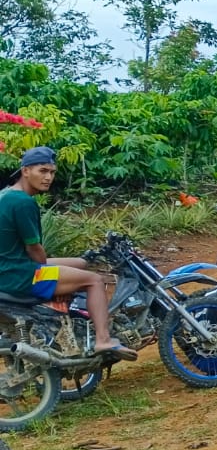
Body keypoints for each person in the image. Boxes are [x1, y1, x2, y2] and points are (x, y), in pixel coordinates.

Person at [0, 147, 135, 360]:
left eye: (52, 172)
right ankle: (103, 339)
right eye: (43, 171)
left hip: (10, 266)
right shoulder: (23, 202)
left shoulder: (6, 194)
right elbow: (34, 249)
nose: (48, 177)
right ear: (25, 171)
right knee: (94, 280)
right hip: (20, 275)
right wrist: (49, 270)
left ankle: (73, 318)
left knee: (80, 263)